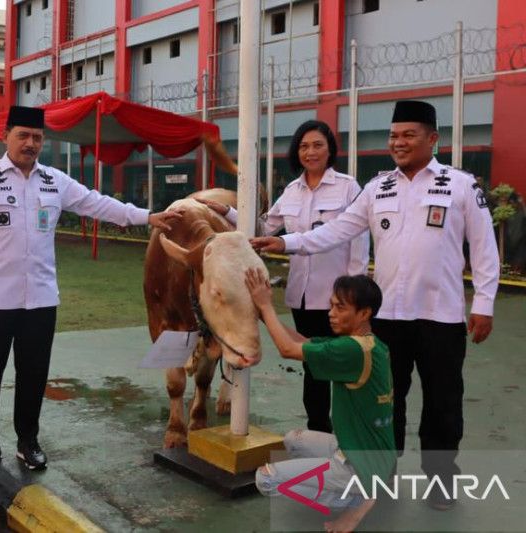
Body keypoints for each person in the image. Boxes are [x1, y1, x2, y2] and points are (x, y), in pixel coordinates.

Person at [252, 100, 500, 510]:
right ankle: (382, 476)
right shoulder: (378, 187)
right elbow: (336, 231)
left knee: (442, 404)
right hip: (388, 320)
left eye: (409, 135)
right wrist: (286, 242)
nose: (398, 143)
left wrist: (485, 304)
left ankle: (441, 483)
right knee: (386, 404)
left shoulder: (459, 185)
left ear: (432, 138)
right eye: (393, 135)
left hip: (441, 317)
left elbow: (486, 249)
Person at [0, 105, 182, 469]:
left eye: (37, 138)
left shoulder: (53, 180)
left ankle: (28, 440)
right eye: (23, 136)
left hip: (42, 298)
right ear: (6, 136)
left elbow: (97, 204)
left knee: (34, 373)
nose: (30, 144)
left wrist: (146, 216)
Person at [199, 120, 369, 433]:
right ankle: (319, 431)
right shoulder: (292, 191)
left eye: (318, 145)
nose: (311, 152)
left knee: (344, 366)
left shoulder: (348, 187)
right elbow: (264, 227)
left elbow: (358, 240)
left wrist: (354, 292)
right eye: (304, 146)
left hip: (340, 298)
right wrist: (225, 213)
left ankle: (350, 433)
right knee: (314, 368)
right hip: (304, 296)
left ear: (330, 149)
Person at [246, 271, 394, 533]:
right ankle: (361, 490)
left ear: (364, 314)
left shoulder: (349, 351)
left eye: (340, 307)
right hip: (371, 454)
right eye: (331, 305)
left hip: (359, 465)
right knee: (293, 439)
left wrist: (267, 305)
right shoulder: (368, 344)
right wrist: (260, 312)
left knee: (265, 479)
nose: (331, 313)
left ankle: (357, 502)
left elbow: (288, 350)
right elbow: (302, 343)